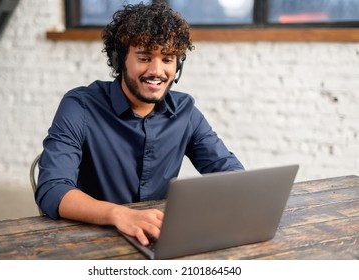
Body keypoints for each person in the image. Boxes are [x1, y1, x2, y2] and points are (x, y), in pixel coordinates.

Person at [35, 2, 244, 246]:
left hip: (156, 236)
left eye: (168, 59)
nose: (157, 71)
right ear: (119, 59)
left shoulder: (185, 111)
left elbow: (229, 173)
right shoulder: (80, 106)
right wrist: (118, 214)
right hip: (90, 237)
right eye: (144, 58)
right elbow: (52, 190)